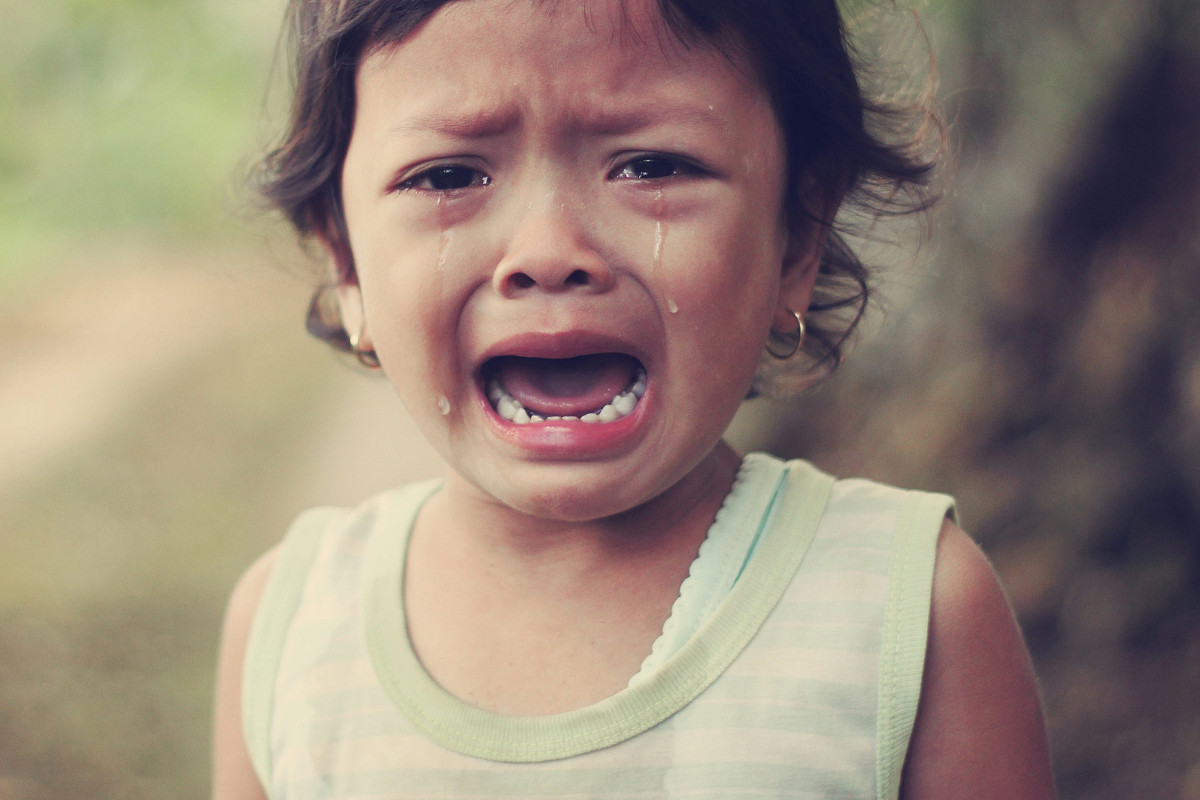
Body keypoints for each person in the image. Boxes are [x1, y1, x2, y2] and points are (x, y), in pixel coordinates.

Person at [212, 0, 1056, 797]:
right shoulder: (290, 636)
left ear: (797, 234)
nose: (549, 251)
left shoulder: (912, 615)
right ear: (345, 262)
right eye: (449, 174)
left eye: (652, 165)